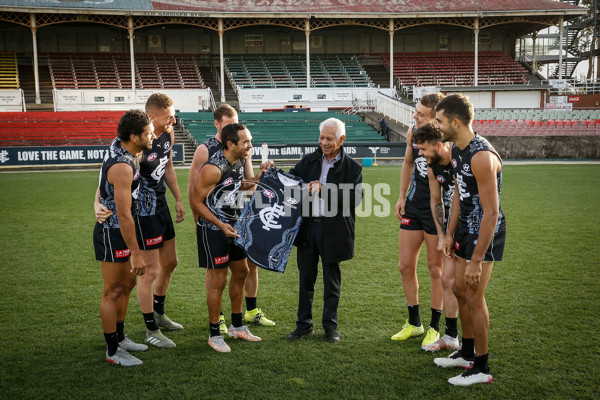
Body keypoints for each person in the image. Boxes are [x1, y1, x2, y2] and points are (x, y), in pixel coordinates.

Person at [95, 93, 185, 349]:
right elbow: (109, 176)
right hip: (142, 212)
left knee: (171, 262)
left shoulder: (165, 133)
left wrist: (177, 198)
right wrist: (97, 203)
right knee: (148, 272)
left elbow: (166, 166)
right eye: (169, 116)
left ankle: (158, 313)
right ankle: (150, 329)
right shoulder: (132, 145)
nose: (174, 120)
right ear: (152, 117)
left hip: (161, 205)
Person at [433, 94, 506, 386]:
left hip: (484, 233)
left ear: (454, 121)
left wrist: (478, 258)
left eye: (439, 121)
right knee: (460, 291)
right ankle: (466, 353)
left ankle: (482, 367)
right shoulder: (458, 151)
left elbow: (492, 212)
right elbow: (462, 199)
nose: (436, 126)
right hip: (464, 230)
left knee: (475, 296)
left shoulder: (481, 156)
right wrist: (450, 234)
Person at [188, 104, 275, 333]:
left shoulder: (237, 159)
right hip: (214, 228)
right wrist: (219, 224)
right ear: (230, 144)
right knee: (218, 281)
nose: (250, 146)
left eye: (250, 140)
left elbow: (239, 186)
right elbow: (196, 201)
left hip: (234, 225)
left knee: (242, 272)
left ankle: (238, 327)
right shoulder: (213, 168)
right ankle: (215, 333)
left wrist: (258, 176)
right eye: (246, 142)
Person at [287, 117, 362, 343]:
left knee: (332, 282)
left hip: (334, 230)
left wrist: (324, 188)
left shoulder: (353, 167)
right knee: (305, 280)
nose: (324, 142)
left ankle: (330, 327)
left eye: (329, 138)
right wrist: (272, 171)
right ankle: (304, 325)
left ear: (342, 139)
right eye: (322, 137)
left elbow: (355, 198)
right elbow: (290, 181)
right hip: (308, 230)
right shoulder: (308, 161)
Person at [93, 109, 154, 366]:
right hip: (113, 233)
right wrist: (136, 253)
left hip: (127, 230)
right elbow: (123, 213)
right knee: (113, 291)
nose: (151, 136)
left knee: (127, 287)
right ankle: (112, 351)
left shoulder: (130, 151)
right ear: (133, 136)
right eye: (148, 133)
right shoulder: (121, 166)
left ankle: (119, 337)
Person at [392, 93, 446, 349]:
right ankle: (414, 322)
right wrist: (401, 196)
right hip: (413, 206)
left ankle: (435, 326)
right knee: (405, 265)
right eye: (415, 111)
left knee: (436, 270)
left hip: (436, 210)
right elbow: (407, 162)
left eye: (420, 113)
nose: (415, 116)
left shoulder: (446, 139)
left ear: (436, 116)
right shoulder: (413, 132)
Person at [411, 122, 459, 352]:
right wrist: (441, 235)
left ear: (439, 145)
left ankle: (463, 343)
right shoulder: (432, 167)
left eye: (423, 149)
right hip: (449, 229)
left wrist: (450, 234)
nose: (419, 154)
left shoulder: (461, 162)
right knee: (448, 281)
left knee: (462, 285)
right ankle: (452, 337)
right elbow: (436, 201)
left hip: (470, 226)